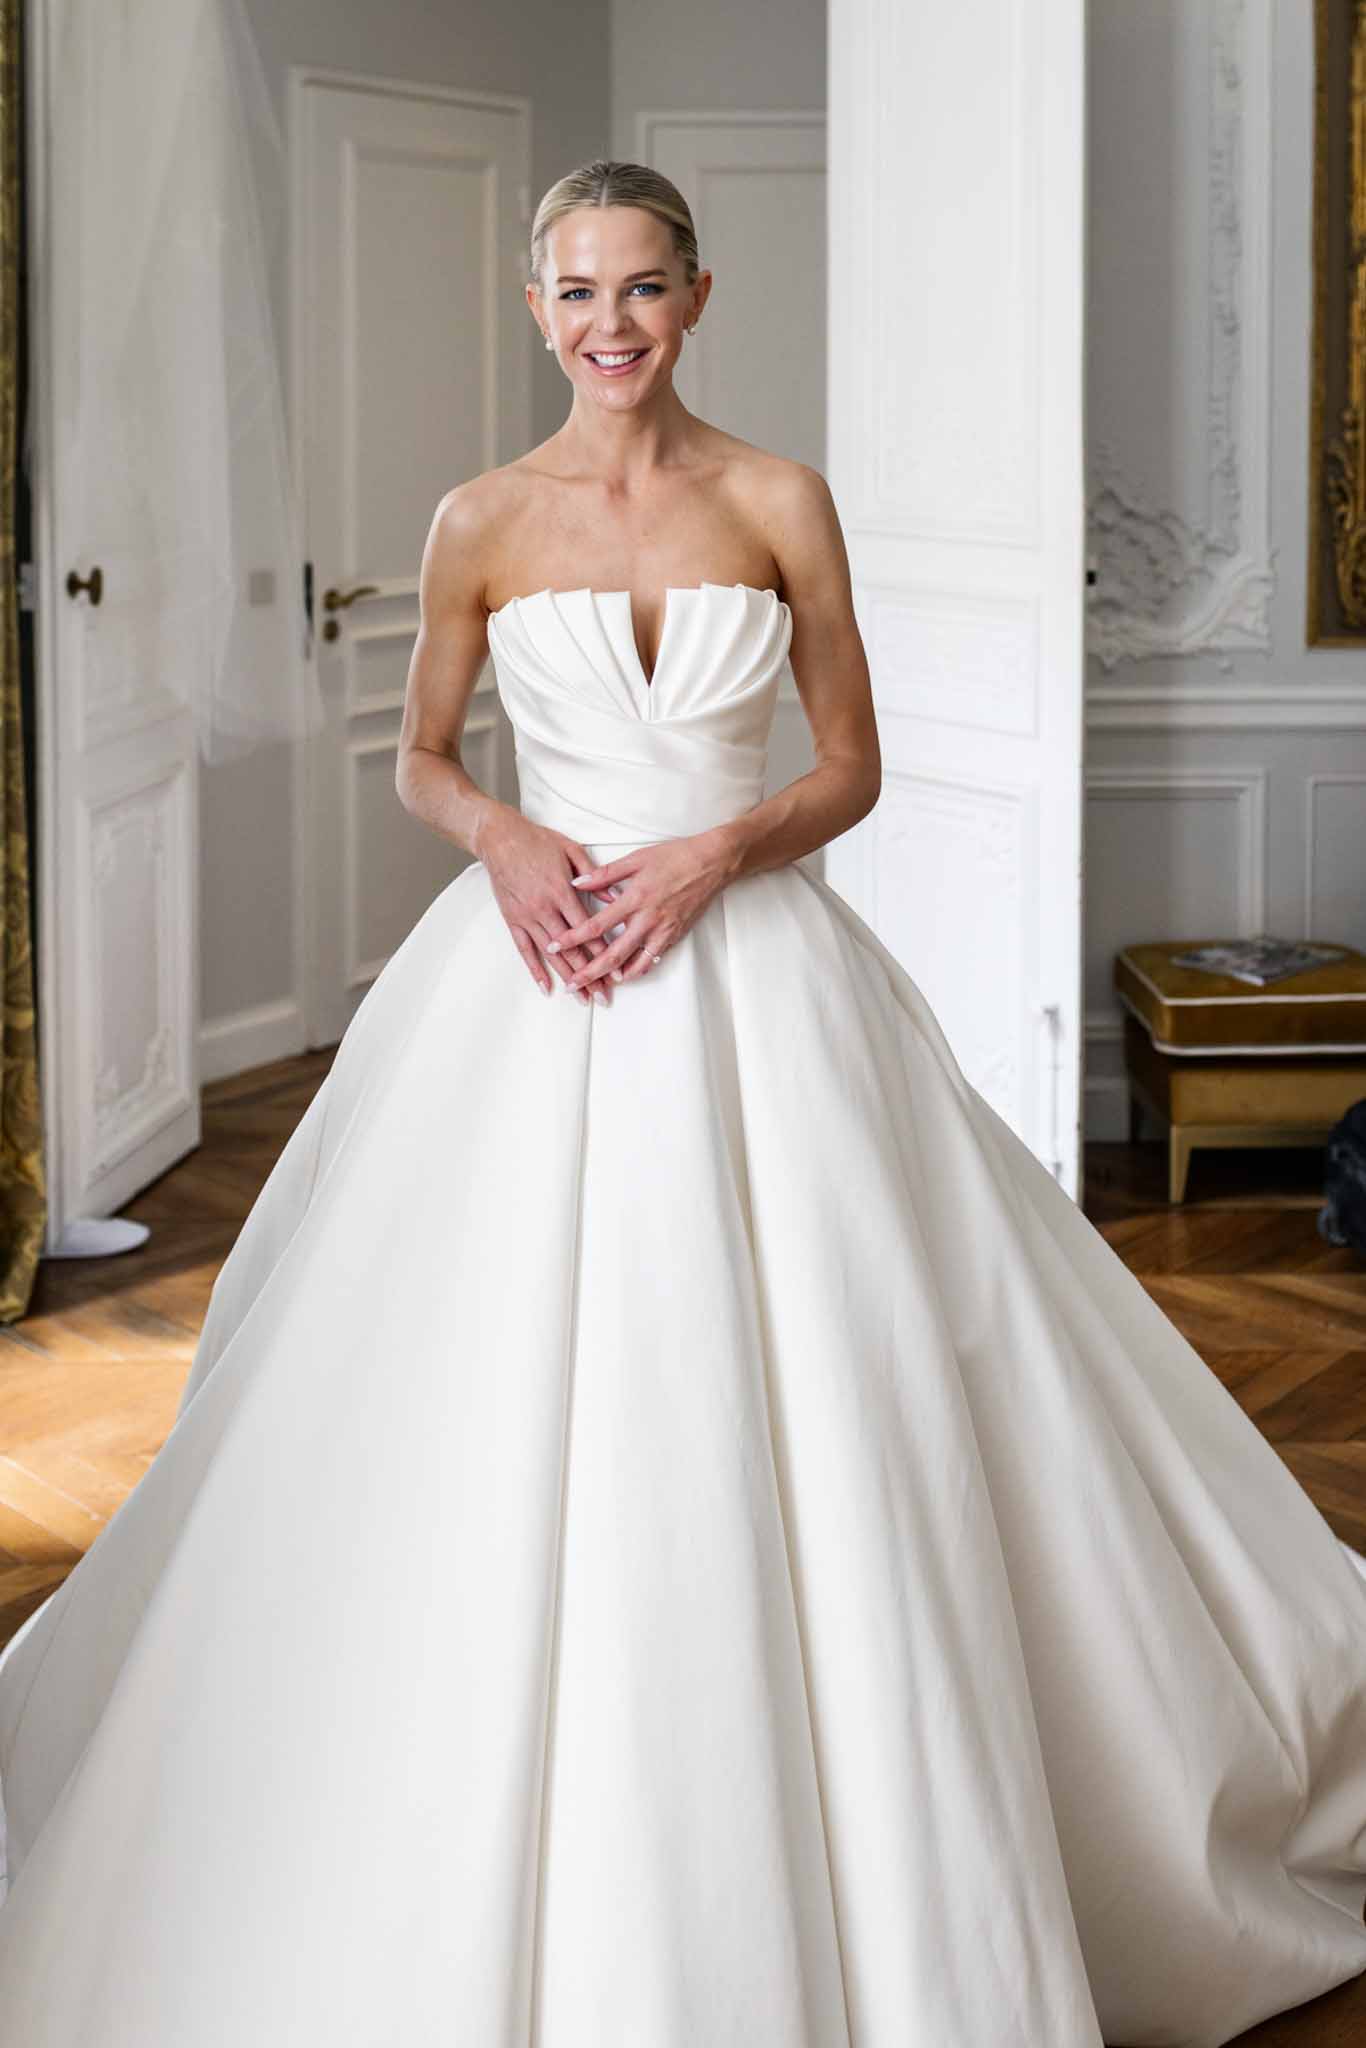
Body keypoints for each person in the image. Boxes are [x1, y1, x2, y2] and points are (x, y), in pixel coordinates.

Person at [0, 157, 1363, 2048]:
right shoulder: (482, 515)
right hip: (537, 966)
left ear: (697, 299)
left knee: (842, 1359)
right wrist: (500, 839)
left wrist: (718, 853)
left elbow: (853, 763)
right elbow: (416, 753)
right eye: (574, 293)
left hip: (756, 967)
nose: (608, 327)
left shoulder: (775, 498)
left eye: (641, 290)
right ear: (533, 304)